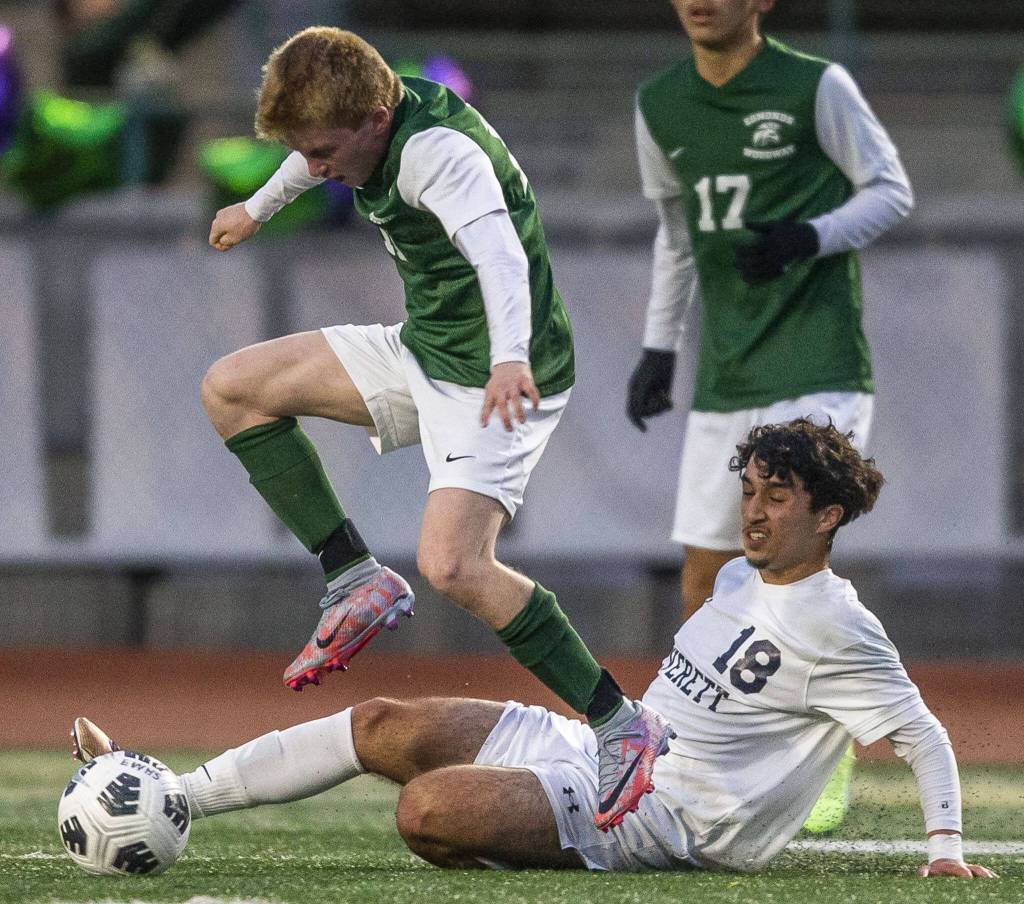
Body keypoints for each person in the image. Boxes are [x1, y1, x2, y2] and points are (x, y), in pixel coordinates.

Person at [71, 421, 997, 878]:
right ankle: (172, 796)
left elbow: (921, 734)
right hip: (611, 750)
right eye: (750, 489)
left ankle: (543, 839)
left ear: (827, 515)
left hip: (668, 821)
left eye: (778, 496)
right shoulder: (735, 581)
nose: (753, 511)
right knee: (383, 723)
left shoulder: (841, 625)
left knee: (427, 812)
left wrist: (946, 846)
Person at [201, 26, 671, 829]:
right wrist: (255, 206)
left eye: (322, 150)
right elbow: (308, 157)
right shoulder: (367, 124)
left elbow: (501, 259)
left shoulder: (439, 157)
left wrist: (510, 359)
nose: (315, 166)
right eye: (302, 150)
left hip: (500, 378)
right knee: (233, 388)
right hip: (427, 351)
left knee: (455, 566)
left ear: (376, 117)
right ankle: (354, 576)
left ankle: (620, 723)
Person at [625, 0, 913, 832]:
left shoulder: (816, 85)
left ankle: (818, 759)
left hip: (818, 363)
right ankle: (695, 752)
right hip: (727, 372)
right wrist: (659, 348)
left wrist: (809, 236)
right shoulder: (659, 104)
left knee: (788, 571)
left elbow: (890, 191)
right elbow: (676, 236)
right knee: (705, 577)